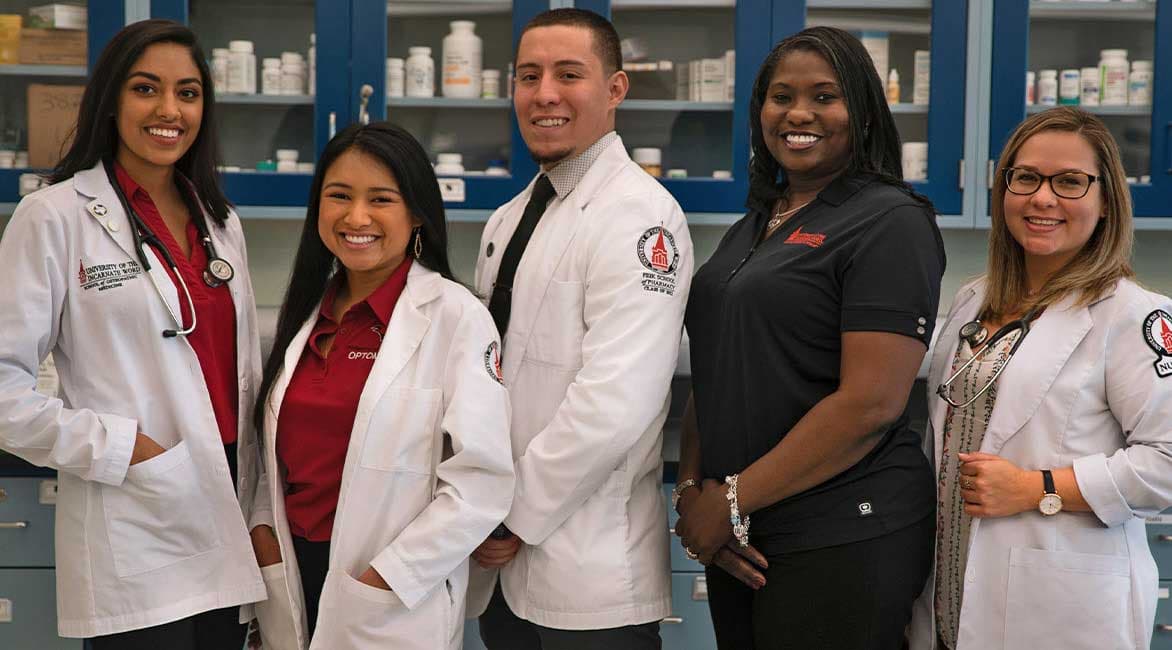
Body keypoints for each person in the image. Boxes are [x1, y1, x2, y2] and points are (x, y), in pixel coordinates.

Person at [674, 26, 946, 649]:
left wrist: (731, 501)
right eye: (781, 97)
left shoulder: (891, 221)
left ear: (862, 111)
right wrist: (695, 492)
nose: (799, 114)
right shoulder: (754, 225)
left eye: (825, 96)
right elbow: (717, 367)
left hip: (842, 529)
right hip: (740, 529)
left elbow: (870, 405)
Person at [0, 19, 266, 647]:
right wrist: (121, 447)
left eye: (189, 92)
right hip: (137, 508)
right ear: (112, 100)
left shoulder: (219, 221)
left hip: (230, 495)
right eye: (147, 89)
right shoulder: (55, 215)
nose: (170, 110)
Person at [467, 8, 693, 649]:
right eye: (528, 76)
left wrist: (512, 513)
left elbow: (617, 400)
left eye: (570, 74)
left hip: (588, 575)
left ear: (616, 90)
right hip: (501, 564)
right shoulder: (509, 219)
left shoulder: (642, 217)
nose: (545, 94)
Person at [908, 107, 1172, 649]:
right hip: (948, 593)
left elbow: (1166, 462)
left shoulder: (1135, 316)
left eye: (1070, 181)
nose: (1042, 198)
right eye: (1025, 177)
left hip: (1058, 607)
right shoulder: (972, 301)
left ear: (1106, 203)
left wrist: (1036, 488)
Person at [245, 121, 514, 650]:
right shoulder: (305, 315)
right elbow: (273, 453)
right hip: (291, 573)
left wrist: (387, 579)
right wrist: (262, 532)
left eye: (381, 199)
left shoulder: (455, 317)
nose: (356, 217)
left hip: (387, 587)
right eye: (339, 196)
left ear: (415, 213)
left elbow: (481, 482)